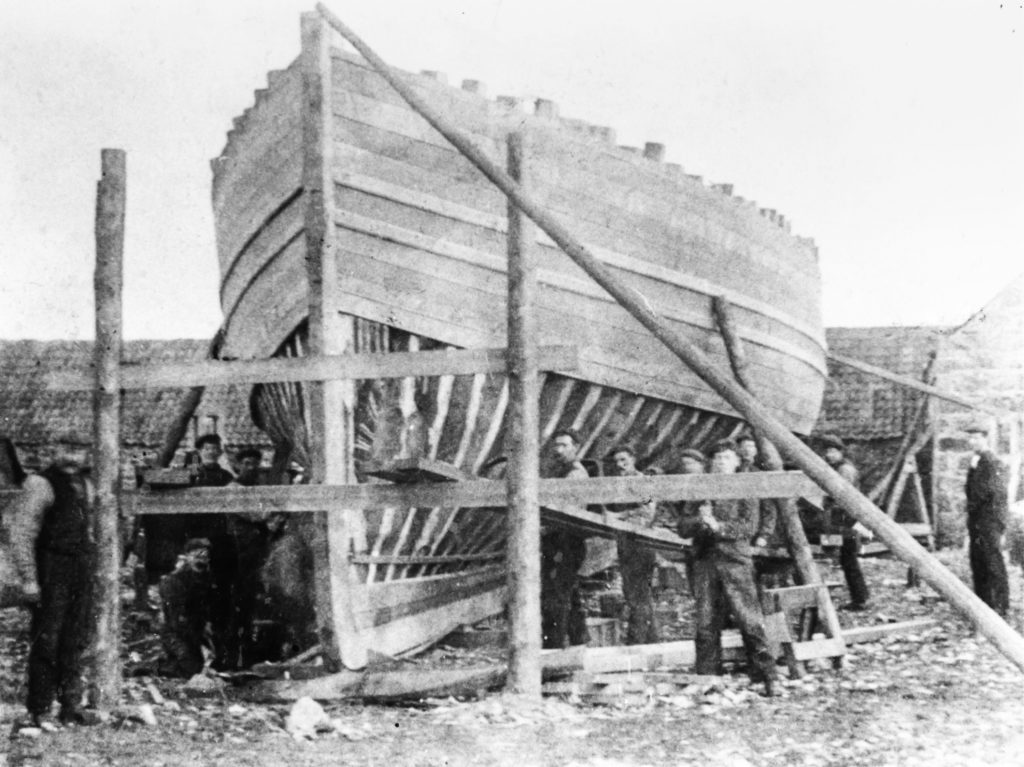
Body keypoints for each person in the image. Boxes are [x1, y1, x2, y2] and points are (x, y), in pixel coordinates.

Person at [5, 439, 98, 726]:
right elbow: (21, 533)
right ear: (53, 451)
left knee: (76, 639)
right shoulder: (40, 484)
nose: (72, 457)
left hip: (80, 568)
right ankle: (40, 708)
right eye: (65, 450)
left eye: (78, 451)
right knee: (47, 640)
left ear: (87, 453)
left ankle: (71, 705)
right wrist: (29, 579)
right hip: (51, 569)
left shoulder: (87, 484)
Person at [677, 439, 777, 696]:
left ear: (737, 462)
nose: (721, 462)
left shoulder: (745, 488)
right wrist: (700, 521)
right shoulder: (701, 489)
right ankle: (707, 677)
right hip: (705, 561)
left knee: (749, 619)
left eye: (727, 458)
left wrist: (718, 527)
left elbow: (749, 527)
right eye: (718, 457)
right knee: (706, 622)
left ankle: (766, 676)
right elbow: (683, 527)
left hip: (735, 562)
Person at [186, 433, 236, 669]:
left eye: (215, 448)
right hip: (196, 537)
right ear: (199, 451)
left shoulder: (226, 477)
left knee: (221, 594)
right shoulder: (191, 475)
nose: (212, 452)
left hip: (220, 538)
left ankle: (221, 653)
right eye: (207, 448)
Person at [540, 428, 591, 649]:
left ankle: (553, 647)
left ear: (576, 448)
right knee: (568, 592)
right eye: (556, 445)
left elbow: (566, 512)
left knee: (555, 596)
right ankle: (580, 642)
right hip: (559, 540)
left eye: (564, 445)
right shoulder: (560, 472)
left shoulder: (575, 475)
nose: (558, 450)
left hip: (566, 540)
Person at [606, 445, 659, 644]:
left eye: (624, 460)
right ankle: (652, 641)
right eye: (616, 462)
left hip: (642, 543)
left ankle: (636, 641)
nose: (620, 465)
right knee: (634, 592)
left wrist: (619, 516)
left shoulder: (644, 482)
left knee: (638, 593)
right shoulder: (618, 485)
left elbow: (647, 513)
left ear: (633, 459)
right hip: (626, 543)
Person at [819, 435, 870, 610]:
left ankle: (860, 599)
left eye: (833, 451)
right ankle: (860, 596)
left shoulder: (845, 470)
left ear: (841, 452)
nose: (829, 455)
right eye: (827, 451)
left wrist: (826, 502)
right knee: (842, 557)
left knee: (848, 558)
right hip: (838, 520)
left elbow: (841, 495)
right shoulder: (835, 467)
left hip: (845, 520)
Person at [964, 423, 1009, 618]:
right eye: (970, 438)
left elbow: (989, 491)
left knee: (992, 560)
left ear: (985, 439)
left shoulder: (992, 461)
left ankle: (1000, 604)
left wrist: (973, 507)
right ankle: (983, 602)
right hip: (977, 519)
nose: (972, 441)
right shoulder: (976, 461)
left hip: (989, 519)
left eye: (976, 438)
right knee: (978, 559)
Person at [157, 537, 213, 677]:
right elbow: (176, 620)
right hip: (176, 633)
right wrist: (200, 642)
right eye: (197, 556)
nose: (202, 561)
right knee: (190, 667)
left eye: (205, 557)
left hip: (197, 631)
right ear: (187, 556)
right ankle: (158, 667)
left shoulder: (206, 578)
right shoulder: (173, 581)